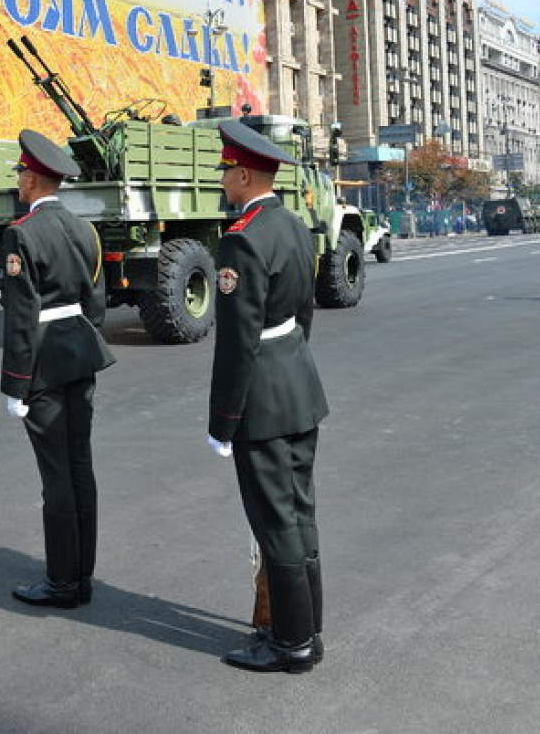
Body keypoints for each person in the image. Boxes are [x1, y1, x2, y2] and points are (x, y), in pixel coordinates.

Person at [207, 118, 329, 673]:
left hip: (263, 401)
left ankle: (291, 645)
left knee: (275, 521)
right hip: (299, 386)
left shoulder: (243, 240)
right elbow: (301, 317)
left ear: (246, 173)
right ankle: (308, 629)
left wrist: (223, 421)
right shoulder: (295, 227)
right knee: (299, 514)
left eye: (227, 171)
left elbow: (236, 343)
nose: (223, 180)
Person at [0, 129, 115, 609]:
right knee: (80, 466)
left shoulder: (22, 233)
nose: (19, 180)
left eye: (22, 173)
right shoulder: (84, 229)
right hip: (78, 353)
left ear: (32, 179)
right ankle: (80, 576)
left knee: (56, 476)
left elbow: (22, 318)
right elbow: (97, 303)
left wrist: (16, 384)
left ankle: (63, 582)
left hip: (44, 362)